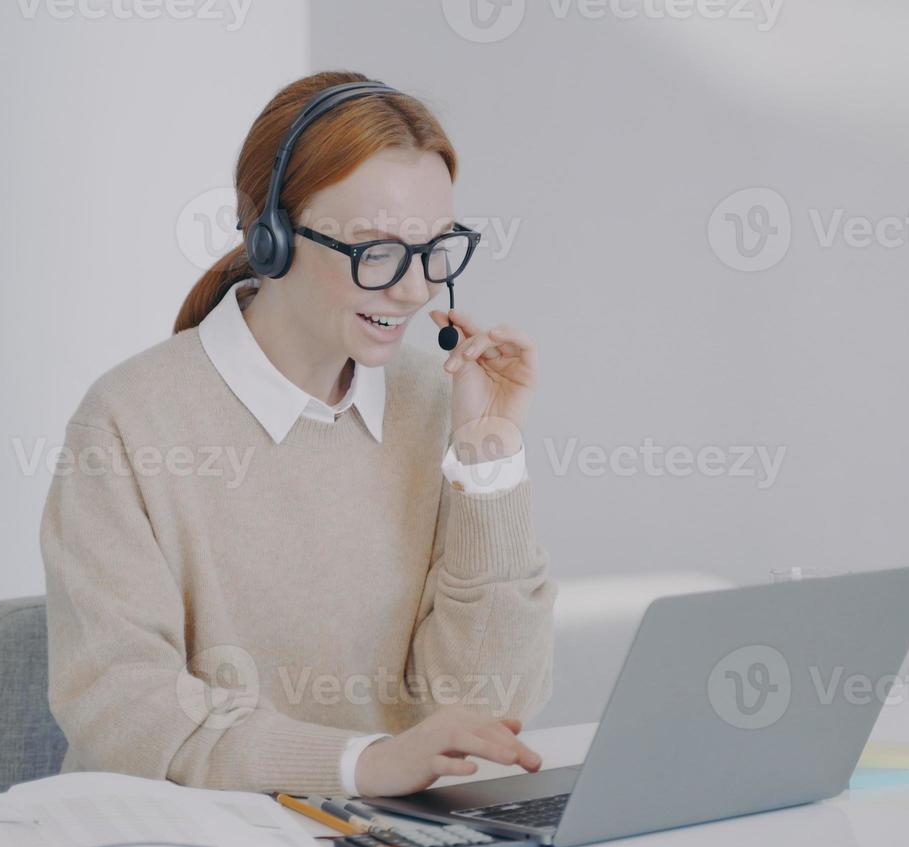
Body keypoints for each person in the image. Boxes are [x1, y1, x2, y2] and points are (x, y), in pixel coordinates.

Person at [40, 70, 555, 799]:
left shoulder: (436, 402)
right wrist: (361, 764)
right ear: (272, 238)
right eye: (375, 250)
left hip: (398, 845)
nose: (415, 290)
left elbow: (484, 709)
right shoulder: (131, 419)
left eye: (436, 248)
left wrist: (488, 464)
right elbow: (124, 708)